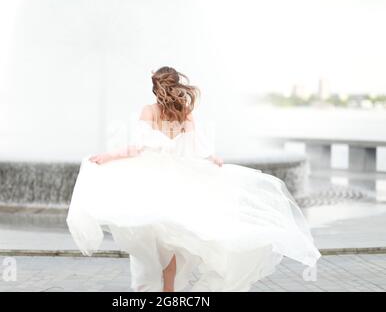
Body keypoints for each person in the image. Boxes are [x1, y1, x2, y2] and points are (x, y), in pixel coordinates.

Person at [66, 66, 321, 292]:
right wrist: (213, 160)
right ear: (176, 86)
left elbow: (136, 149)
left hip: (152, 180)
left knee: (155, 234)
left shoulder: (149, 111)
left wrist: (108, 156)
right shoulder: (185, 113)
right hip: (179, 180)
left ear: (155, 88)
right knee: (173, 237)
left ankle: (155, 287)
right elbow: (199, 148)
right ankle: (168, 289)